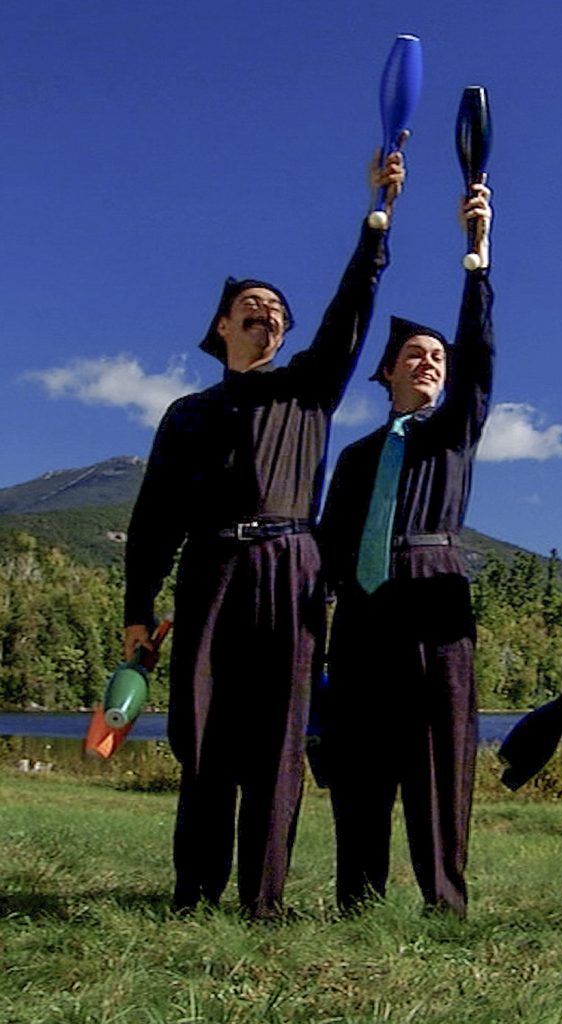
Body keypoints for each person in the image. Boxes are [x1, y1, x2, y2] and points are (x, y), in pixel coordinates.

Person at [123, 150, 406, 919]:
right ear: (222, 326)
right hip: (211, 568)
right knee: (204, 729)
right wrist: (138, 611)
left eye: (279, 309)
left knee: (280, 740)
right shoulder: (186, 414)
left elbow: (350, 309)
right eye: (253, 304)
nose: (269, 313)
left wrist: (375, 221)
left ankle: (264, 902)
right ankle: (194, 892)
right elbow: (152, 523)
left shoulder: (308, 390)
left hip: (291, 565)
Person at [316, 182, 493, 919]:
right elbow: (328, 543)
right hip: (361, 612)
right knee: (358, 762)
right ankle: (357, 900)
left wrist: (476, 263)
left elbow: (479, 361)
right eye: (414, 356)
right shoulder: (356, 455)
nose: (429, 363)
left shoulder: (450, 434)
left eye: (437, 358)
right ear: (385, 372)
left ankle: (444, 902)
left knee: (438, 760)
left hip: (432, 596)